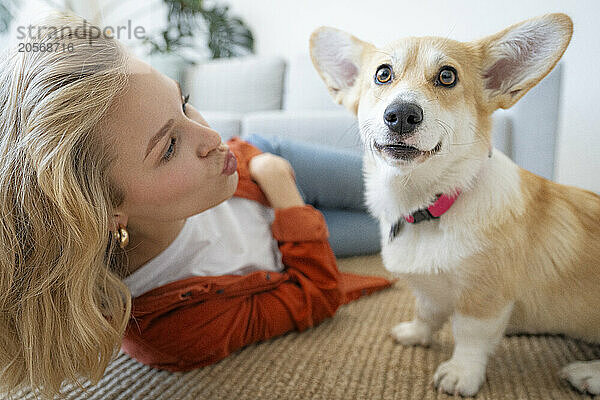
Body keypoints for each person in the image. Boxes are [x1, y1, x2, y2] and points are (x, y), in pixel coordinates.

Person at [0, 10, 393, 399]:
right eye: (169, 147)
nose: (212, 136)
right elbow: (318, 295)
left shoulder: (219, 157)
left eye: (184, 103)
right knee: (408, 224)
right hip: (286, 220)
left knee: (407, 181)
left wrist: (265, 167)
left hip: (264, 162)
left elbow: (235, 151)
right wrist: (288, 204)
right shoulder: (175, 330)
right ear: (104, 211)